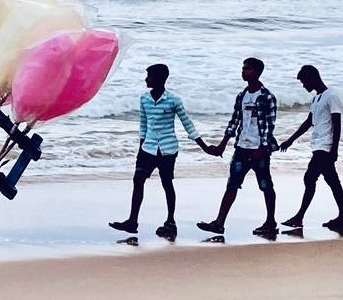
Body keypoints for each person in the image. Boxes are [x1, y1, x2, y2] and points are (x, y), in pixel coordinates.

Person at [110, 63, 205, 240]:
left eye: (149, 76)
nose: (146, 79)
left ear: (160, 78)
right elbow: (143, 124)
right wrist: (140, 147)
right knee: (138, 180)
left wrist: (203, 145)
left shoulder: (173, 99)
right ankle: (132, 221)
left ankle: (170, 221)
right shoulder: (144, 98)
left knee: (167, 183)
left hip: (168, 149)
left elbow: (187, 123)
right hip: (148, 148)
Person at [196, 58, 278, 239]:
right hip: (241, 147)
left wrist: (263, 147)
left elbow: (269, 125)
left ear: (257, 72)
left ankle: (270, 222)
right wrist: (223, 144)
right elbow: (234, 121)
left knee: (265, 185)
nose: (243, 71)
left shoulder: (267, 96)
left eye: (247, 69)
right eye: (243, 68)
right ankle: (219, 223)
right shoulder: (242, 96)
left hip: (259, 149)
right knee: (232, 184)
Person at [278, 65, 343, 234]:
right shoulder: (316, 98)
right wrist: (290, 140)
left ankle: (299, 217)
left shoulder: (331, 96)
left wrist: (334, 149)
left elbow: (337, 123)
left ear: (312, 78)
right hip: (317, 144)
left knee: (310, 178)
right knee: (332, 181)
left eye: (304, 81)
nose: (304, 85)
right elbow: (308, 122)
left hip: (325, 146)